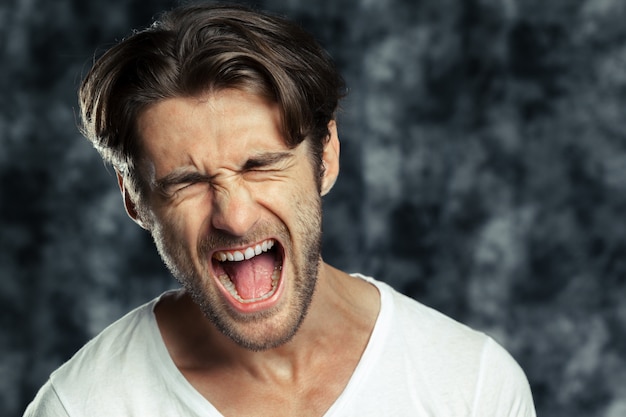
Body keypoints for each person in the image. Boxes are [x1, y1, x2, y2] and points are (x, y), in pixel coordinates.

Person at [24, 3, 536, 416]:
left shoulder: (473, 384)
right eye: (188, 182)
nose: (236, 217)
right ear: (134, 199)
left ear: (326, 155)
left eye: (259, 165)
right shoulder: (82, 406)